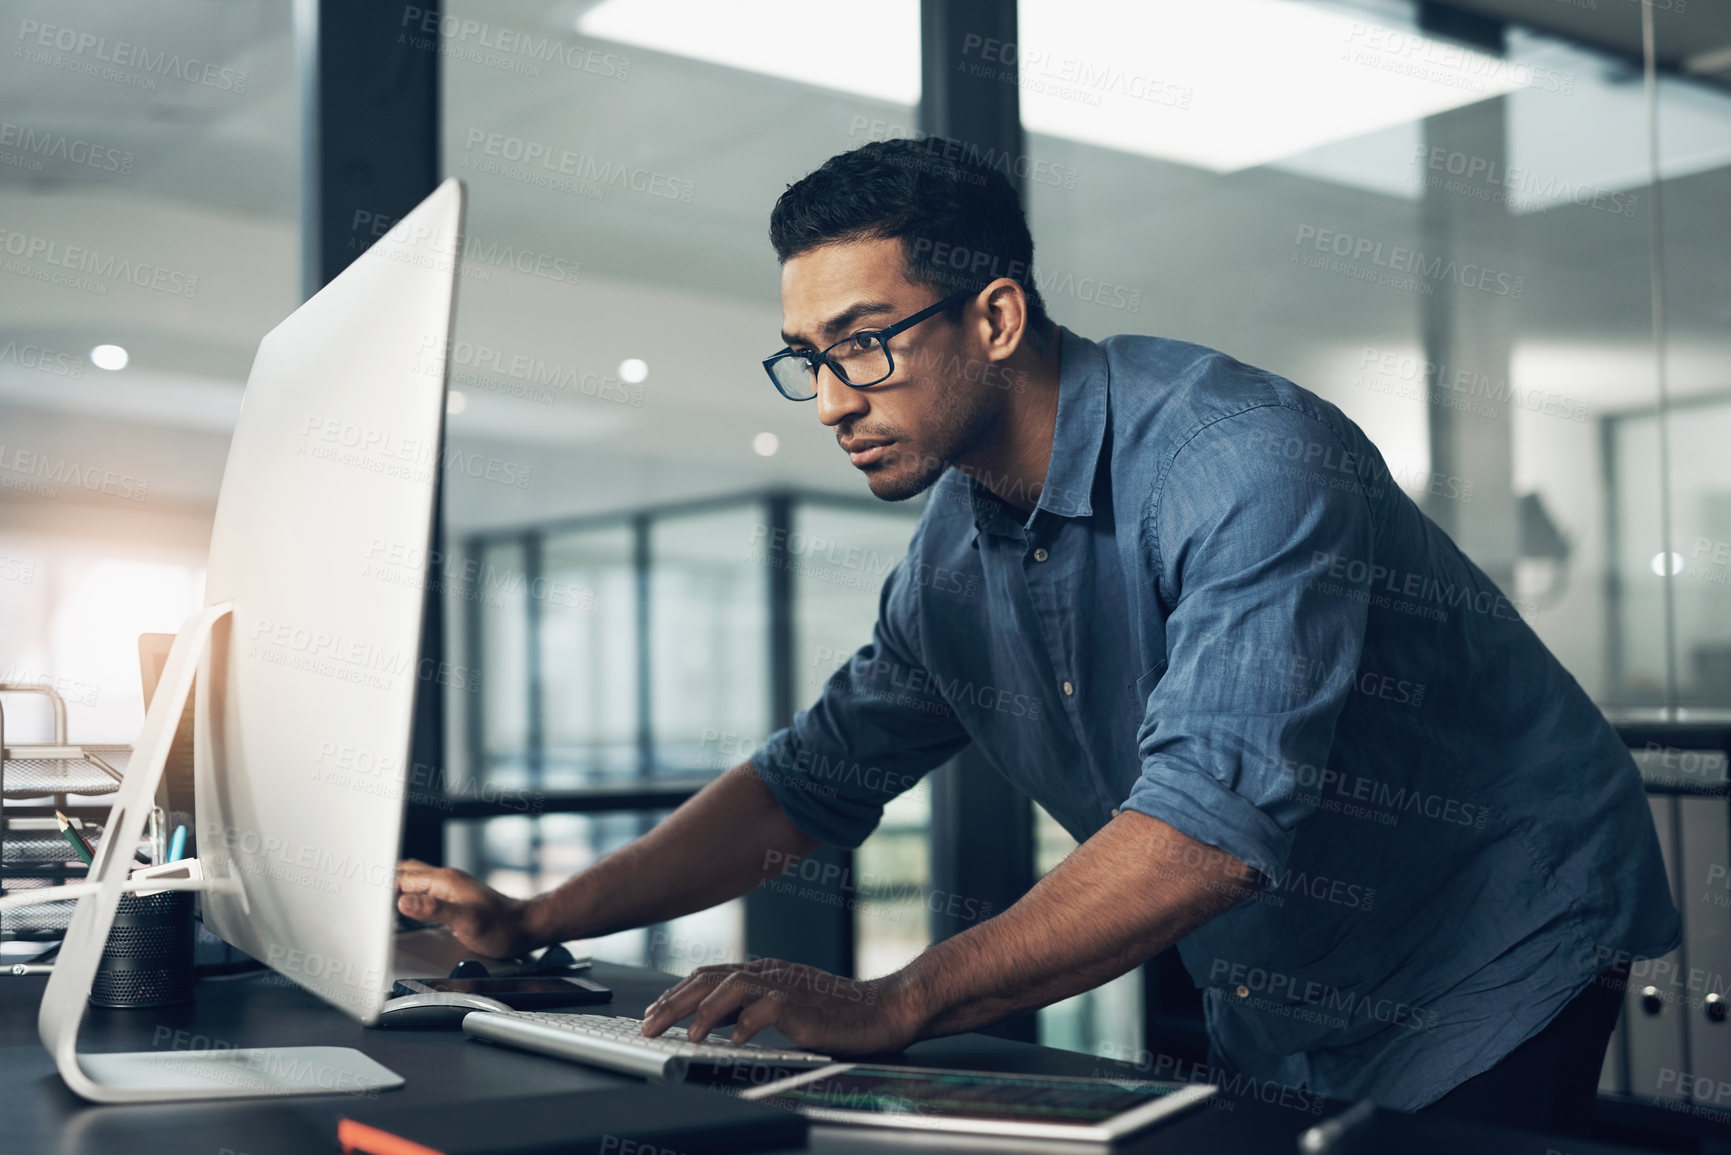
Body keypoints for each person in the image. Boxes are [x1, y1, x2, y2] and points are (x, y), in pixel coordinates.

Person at [396, 139, 1678, 1135]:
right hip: (1282, 970)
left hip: (1496, 926)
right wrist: (536, 913)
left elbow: (1206, 834)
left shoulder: (1250, 465)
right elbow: (811, 781)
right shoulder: (955, 553)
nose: (832, 401)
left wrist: (893, 1001)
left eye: (865, 346)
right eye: (808, 358)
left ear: (995, 320)